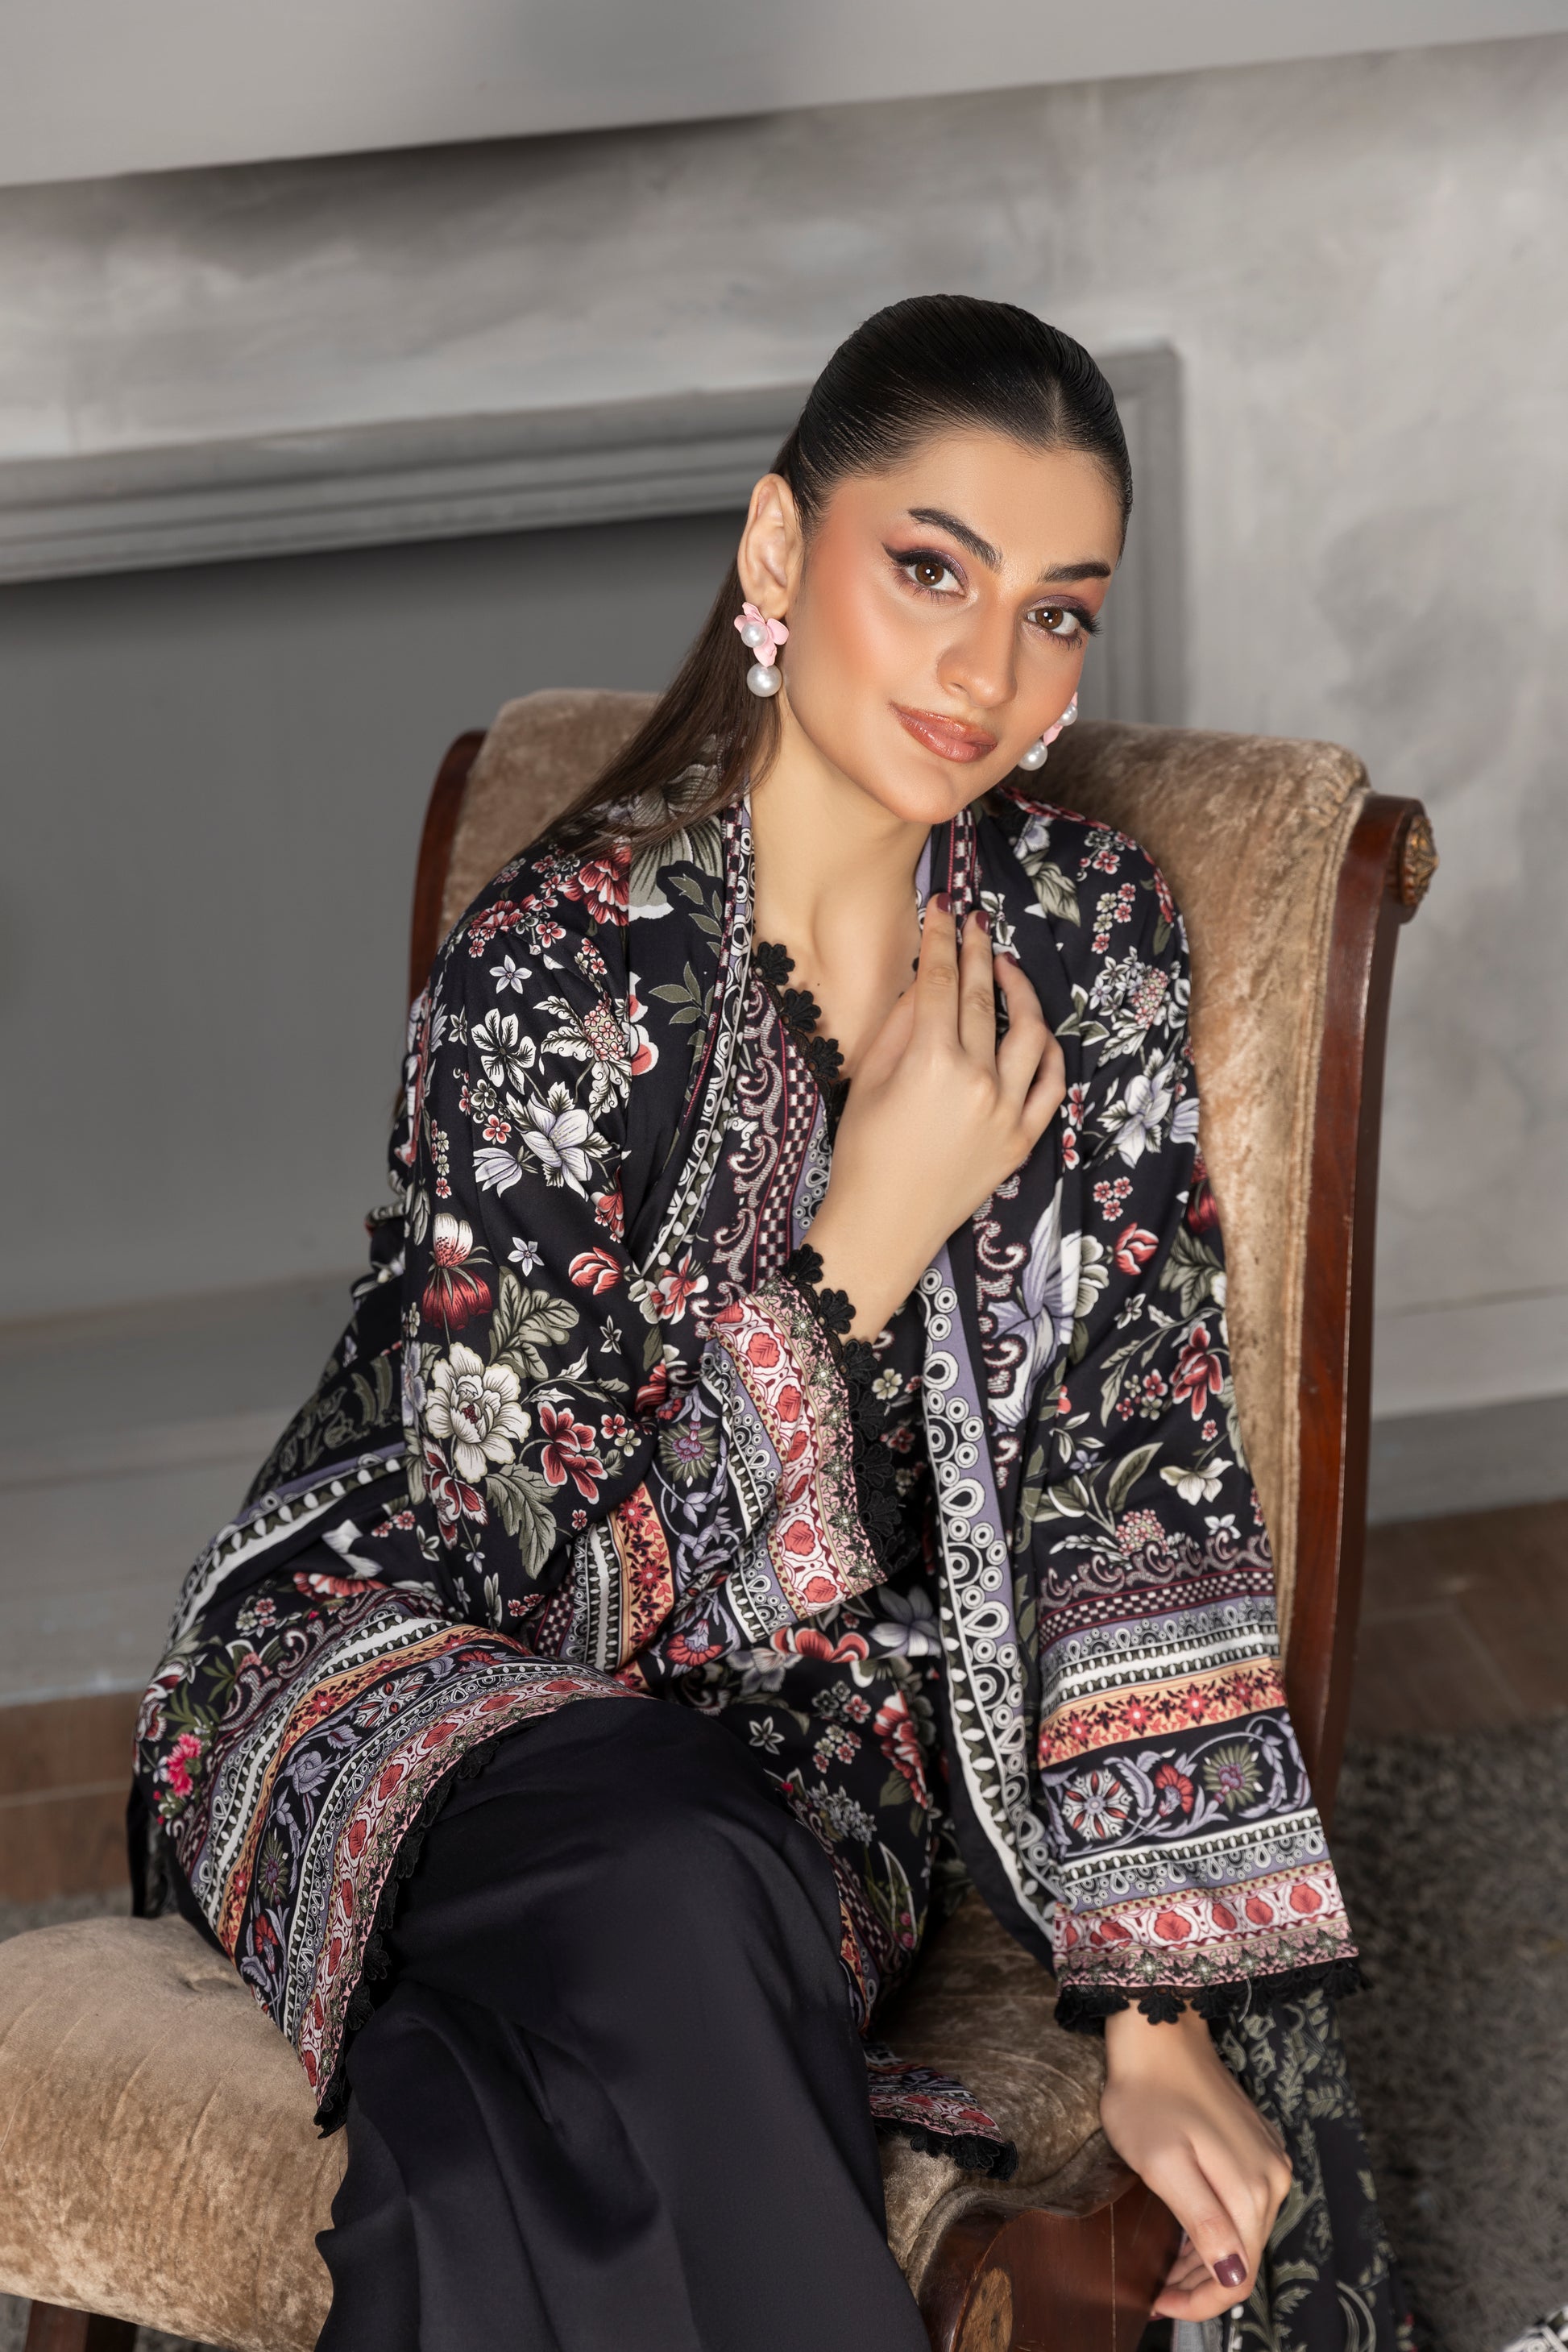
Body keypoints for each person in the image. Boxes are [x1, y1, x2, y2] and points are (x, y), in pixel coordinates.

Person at [133, 295, 1409, 2350]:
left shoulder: (1082, 940)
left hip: (811, 1773)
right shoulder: (555, 974)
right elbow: (506, 1577)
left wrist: (1153, 2014)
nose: (989, 671)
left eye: (1057, 613)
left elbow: (1134, 1473)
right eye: (932, 570)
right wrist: (859, 1244)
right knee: (677, 1859)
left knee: (492, 2134)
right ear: (774, 549)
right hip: (375, 1671)